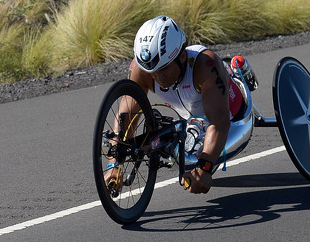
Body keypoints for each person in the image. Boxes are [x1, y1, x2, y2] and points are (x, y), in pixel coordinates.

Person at [106, 15, 247, 194]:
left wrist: (204, 167)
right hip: (192, 119)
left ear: (181, 56)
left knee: (196, 146)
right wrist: (114, 162)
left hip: (231, 111)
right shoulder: (142, 70)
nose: (159, 78)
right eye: (153, 72)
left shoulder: (204, 65)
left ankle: (237, 70)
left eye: (164, 69)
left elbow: (220, 121)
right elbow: (126, 115)